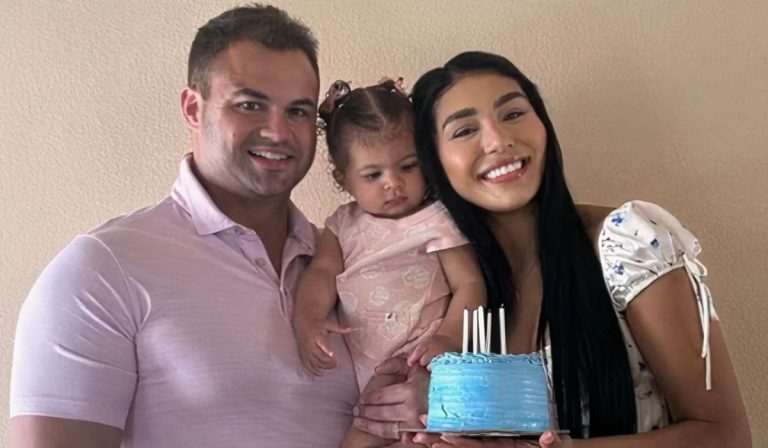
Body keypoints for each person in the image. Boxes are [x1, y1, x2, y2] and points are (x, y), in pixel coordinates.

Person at [9, 5, 422, 447]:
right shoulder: (102, 269)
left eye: (298, 111)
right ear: (193, 107)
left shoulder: (349, 260)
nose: (278, 132)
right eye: (250, 105)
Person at [399, 51, 751, 447]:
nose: (499, 140)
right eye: (464, 131)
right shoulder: (438, 287)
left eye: (513, 113)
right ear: (432, 161)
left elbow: (726, 436)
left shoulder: (629, 241)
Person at [292, 79, 486, 447]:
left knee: (361, 438)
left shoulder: (437, 219)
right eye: (373, 175)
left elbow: (470, 285)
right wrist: (309, 319)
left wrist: (448, 337)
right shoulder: (341, 225)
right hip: (368, 365)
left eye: (408, 166)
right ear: (343, 179)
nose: (393, 183)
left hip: (419, 356)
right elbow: (321, 273)